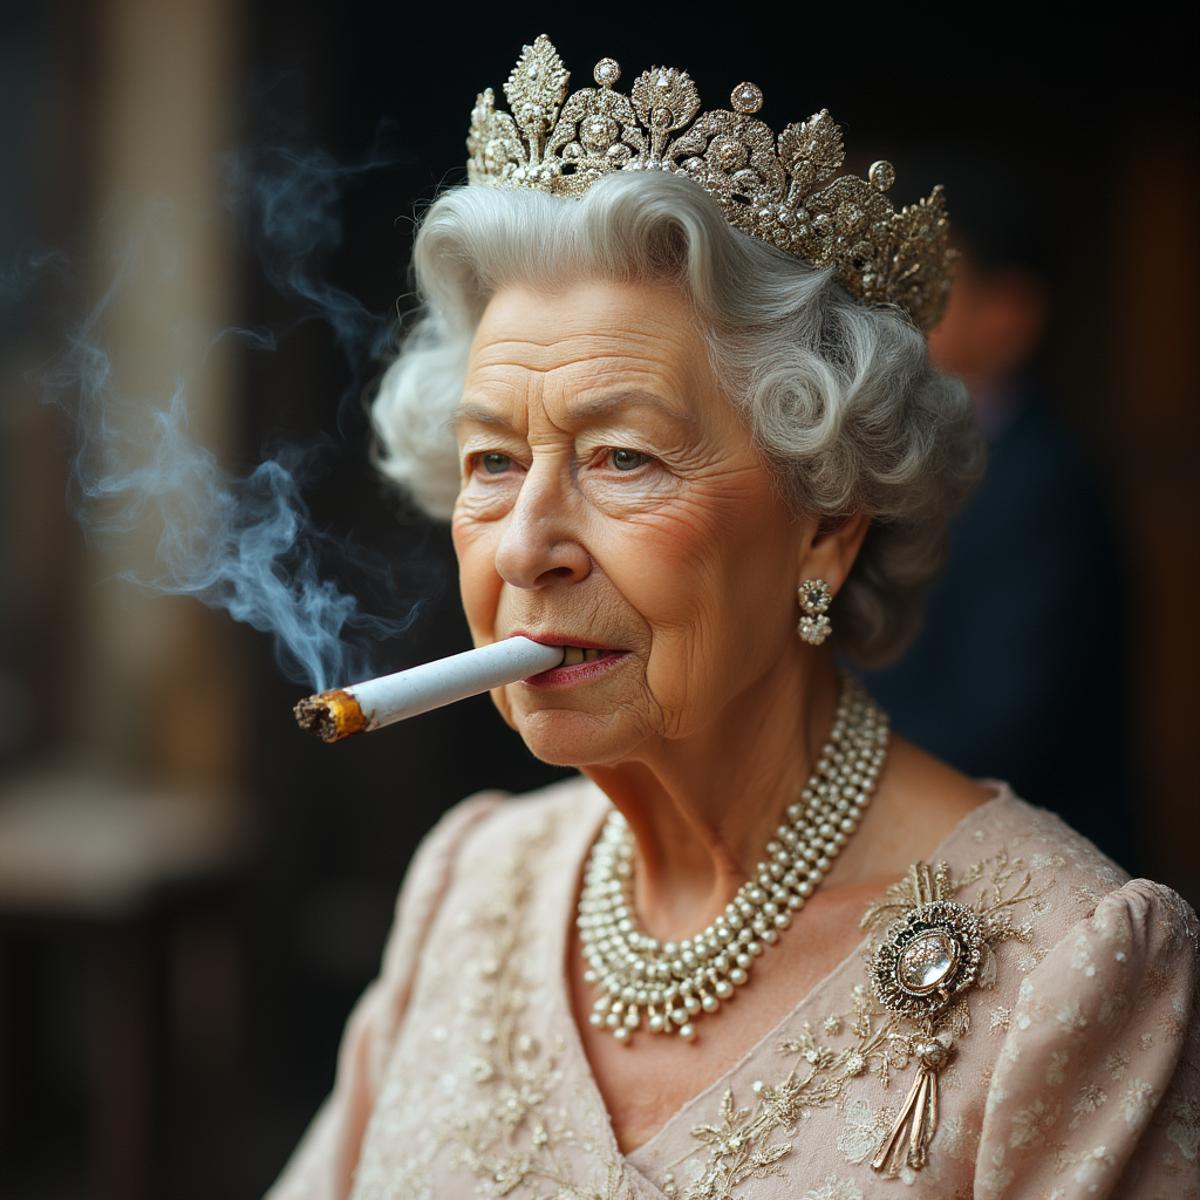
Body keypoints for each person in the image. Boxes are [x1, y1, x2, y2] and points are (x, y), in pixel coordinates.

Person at [264, 35, 1199, 1200]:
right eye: (492, 461)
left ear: (827, 522)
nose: (525, 546)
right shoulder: (473, 882)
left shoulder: (1071, 967)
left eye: (622, 457)